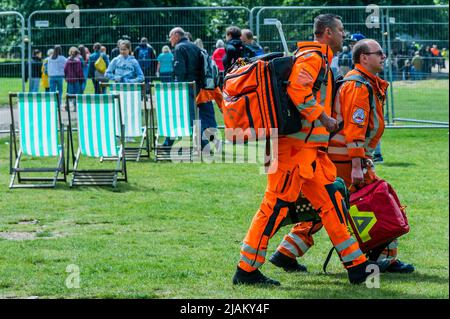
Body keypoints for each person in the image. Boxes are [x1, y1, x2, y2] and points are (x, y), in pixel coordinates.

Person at [233, 14, 374, 286]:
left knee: (332, 204)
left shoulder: (319, 59)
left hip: (309, 152)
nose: (344, 35)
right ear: (328, 32)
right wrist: (325, 118)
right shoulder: (312, 58)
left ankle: (357, 266)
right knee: (273, 207)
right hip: (293, 152)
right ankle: (246, 270)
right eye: (341, 30)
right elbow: (299, 91)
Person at [326, 39, 414, 273]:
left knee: (327, 208)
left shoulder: (365, 83)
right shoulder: (358, 85)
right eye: (379, 53)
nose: (384, 56)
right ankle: (385, 259)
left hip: (346, 157)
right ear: (364, 57)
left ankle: (286, 253)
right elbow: (355, 129)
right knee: (378, 203)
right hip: (349, 159)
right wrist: (357, 164)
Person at [167, 27, 219, 151]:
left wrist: (178, 85)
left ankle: (204, 144)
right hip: (199, 86)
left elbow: (180, 70)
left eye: (170, 37)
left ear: (176, 35)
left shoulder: (179, 48)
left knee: (190, 117)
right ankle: (213, 142)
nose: (169, 40)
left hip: (186, 87)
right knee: (201, 115)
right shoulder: (195, 46)